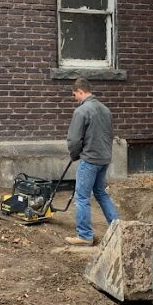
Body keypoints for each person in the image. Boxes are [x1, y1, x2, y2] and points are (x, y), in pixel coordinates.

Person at [65, 77, 119, 246]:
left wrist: (74, 154)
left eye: (75, 95)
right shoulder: (105, 109)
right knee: (101, 193)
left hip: (90, 160)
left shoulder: (82, 111)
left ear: (80, 91)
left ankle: (84, 236)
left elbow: (74, 140)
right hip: (104, 159)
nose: (75, 99)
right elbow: (108, 134)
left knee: (81, 197)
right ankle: (118, 230)